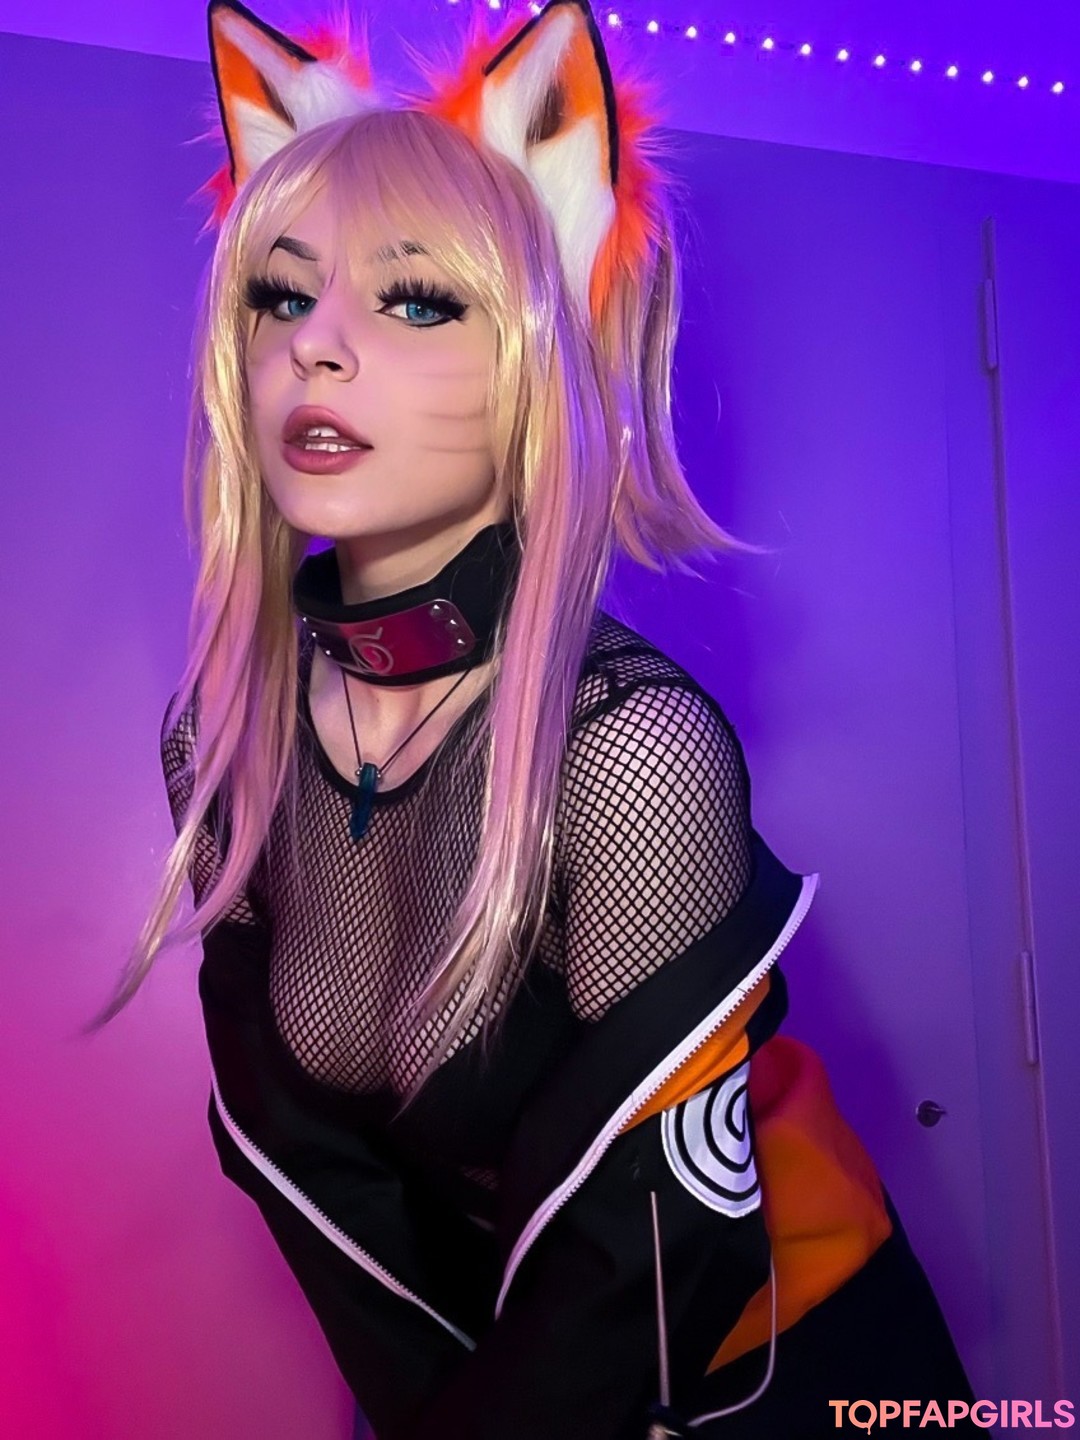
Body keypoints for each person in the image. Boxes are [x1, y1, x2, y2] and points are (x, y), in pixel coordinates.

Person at [91, 1, 980, 1434]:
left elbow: (648, 1262)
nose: (315, 348)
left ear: (537, 358)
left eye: (415, 300)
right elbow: (323, 1187)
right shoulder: (222, 743)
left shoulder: (630, 747)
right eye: (280, 296)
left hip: (774, 1373)